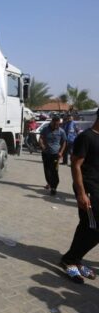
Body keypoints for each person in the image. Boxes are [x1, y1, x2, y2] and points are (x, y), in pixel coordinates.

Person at [60, 108, 99, 283]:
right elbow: (75, 165)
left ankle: (75, 259)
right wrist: (81, 193)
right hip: (88, 188)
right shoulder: (86, 137)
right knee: (95, 229)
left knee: (86, 225)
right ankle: (70, 259)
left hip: (97, 188)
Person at [39, 115, 66, 195]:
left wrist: (61, 152)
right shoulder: (45, 129)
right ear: (52, 122)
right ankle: (49, 183)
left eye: (58, 124)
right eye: (55, 124)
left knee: (54, 171)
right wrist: (42, 145)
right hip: (46, 154)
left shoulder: (61, 131)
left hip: (55, 155)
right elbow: (41, 138)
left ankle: (54, 188)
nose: (56, 126)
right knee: (47, 170)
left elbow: (64, 142)